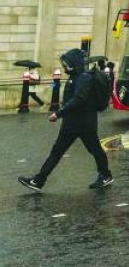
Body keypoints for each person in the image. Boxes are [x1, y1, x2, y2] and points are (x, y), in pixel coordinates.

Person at [18, 49, 113, 192]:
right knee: (58, 152)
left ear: (73, 64)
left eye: (66, 64)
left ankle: (105, 175)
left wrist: (58, 114)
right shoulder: (75, 76)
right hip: (73, 123)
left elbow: (79, 99)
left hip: (83, 123)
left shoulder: (83, 77)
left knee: (94, 150)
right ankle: (38, 181)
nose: (64, 66)